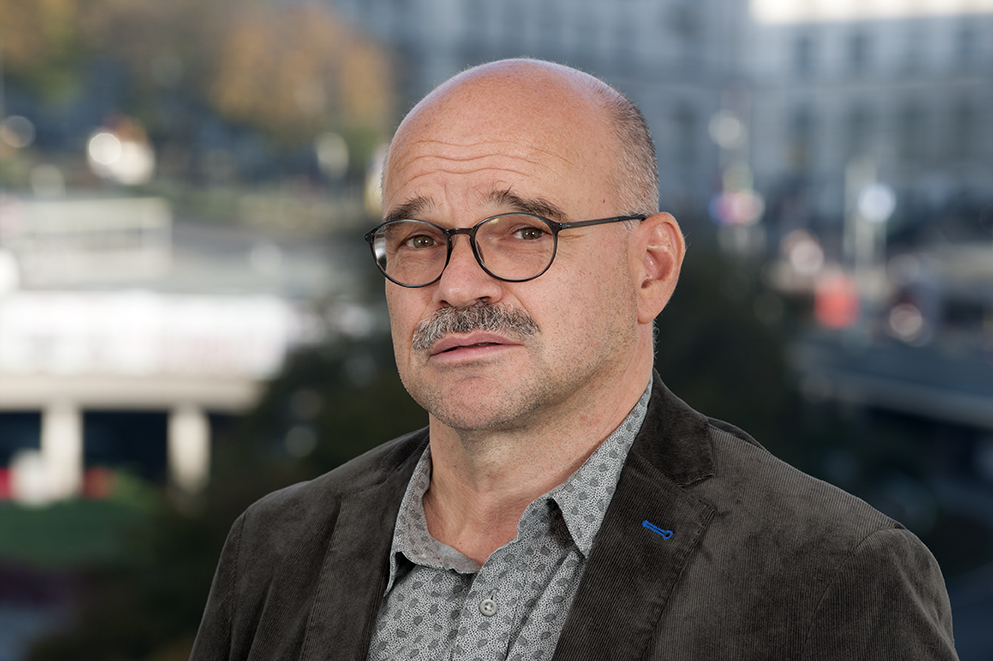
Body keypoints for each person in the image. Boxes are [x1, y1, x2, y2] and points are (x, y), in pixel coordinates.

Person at [190, 59, 958, 660]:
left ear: (650, 268)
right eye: (419, 240)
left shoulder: (832, 577)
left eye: (524, 231)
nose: (457, 284)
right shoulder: (276, 547)